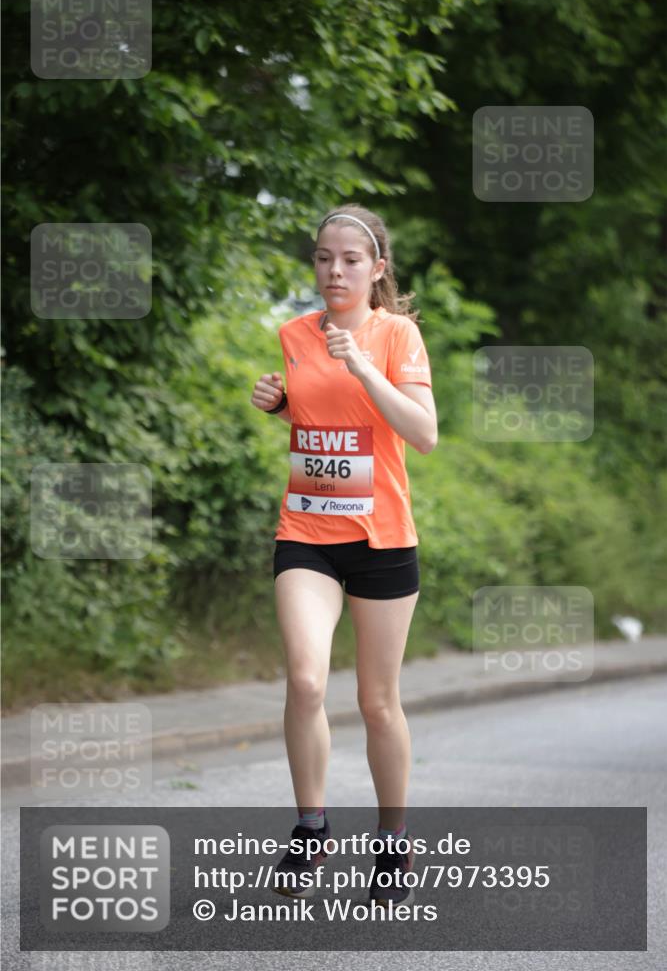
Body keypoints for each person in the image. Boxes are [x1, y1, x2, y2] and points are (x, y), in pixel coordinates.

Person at [250, 203, 437, 908]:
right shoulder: (294, 334)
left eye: (350, 260)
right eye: (324, 258)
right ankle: (311, 824)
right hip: (306, 532)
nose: (334, 270)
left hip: (382, 540)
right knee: (304, 680)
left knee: (376, 701)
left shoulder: (396, 335)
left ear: (376, 269)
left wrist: (361, 364)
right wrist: (279, 405)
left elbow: (422, 434)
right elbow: (321, 424)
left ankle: (392, 838)